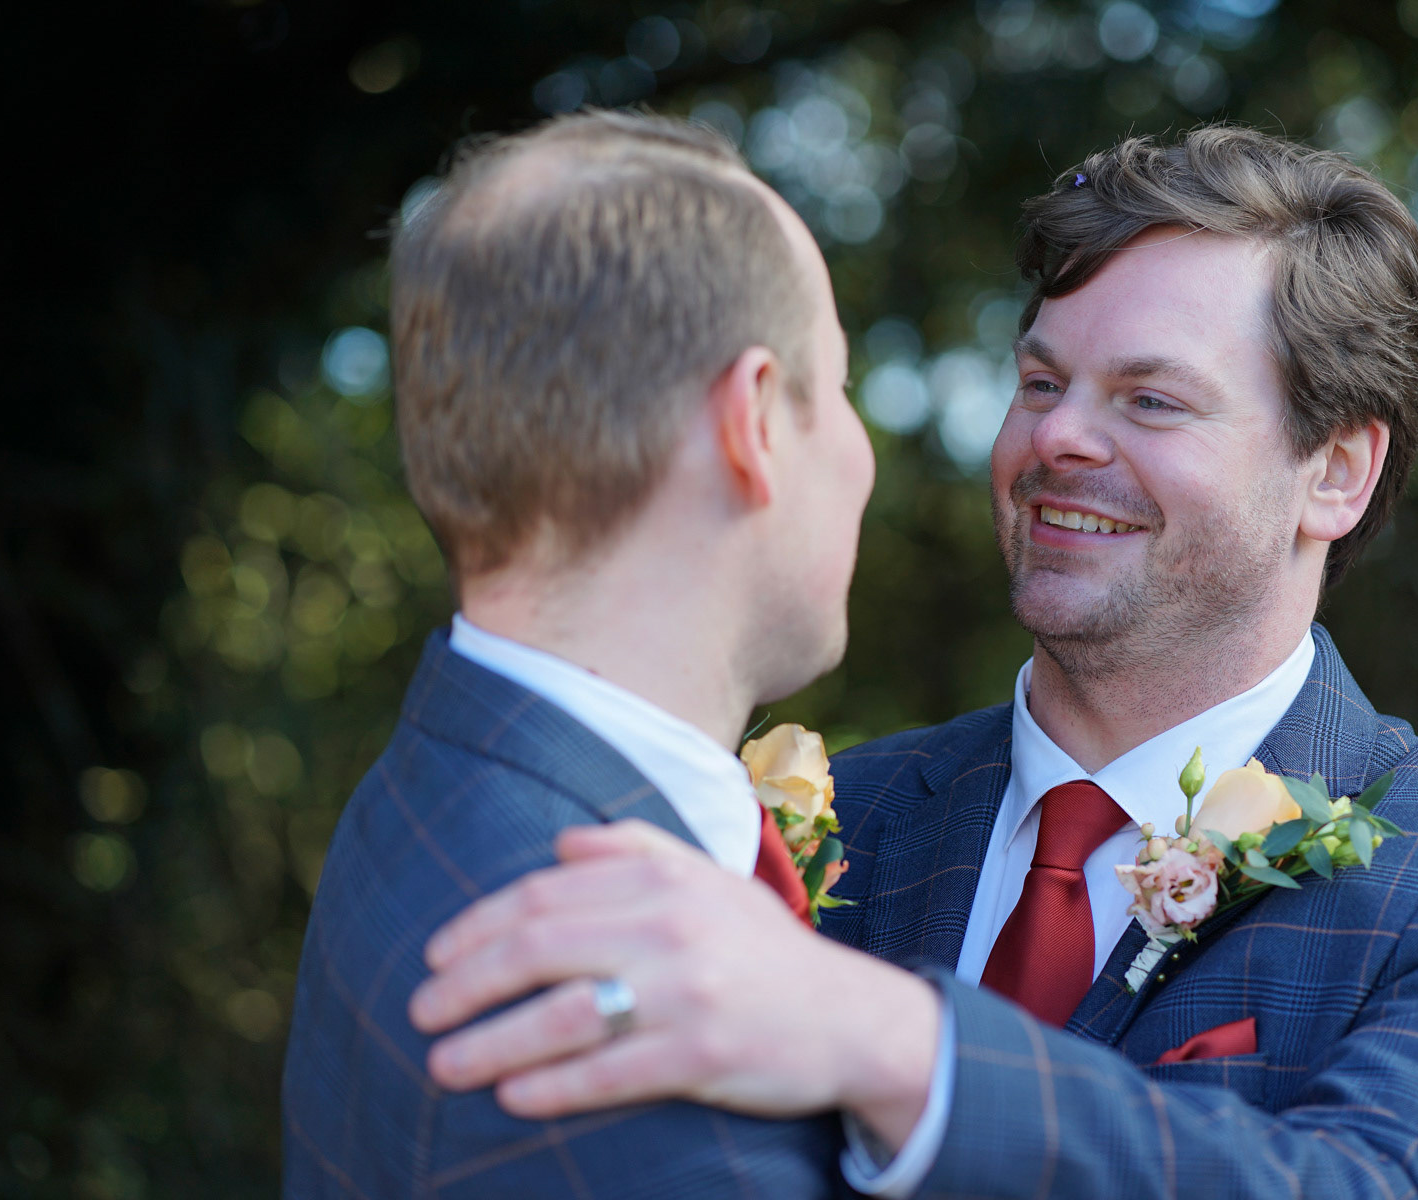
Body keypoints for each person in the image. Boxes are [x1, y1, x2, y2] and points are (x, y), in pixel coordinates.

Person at [406, 126, 1418, 1198]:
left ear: (1334, 472)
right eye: (1039, 381)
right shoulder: (807, 827)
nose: (1058, 436)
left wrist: (894, 1044)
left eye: (1150, 400)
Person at [280, 109, 943, 1198]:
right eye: (838, 388)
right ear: (754, 421)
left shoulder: (433, 784)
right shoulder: (620, 1035)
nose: (860, 452)